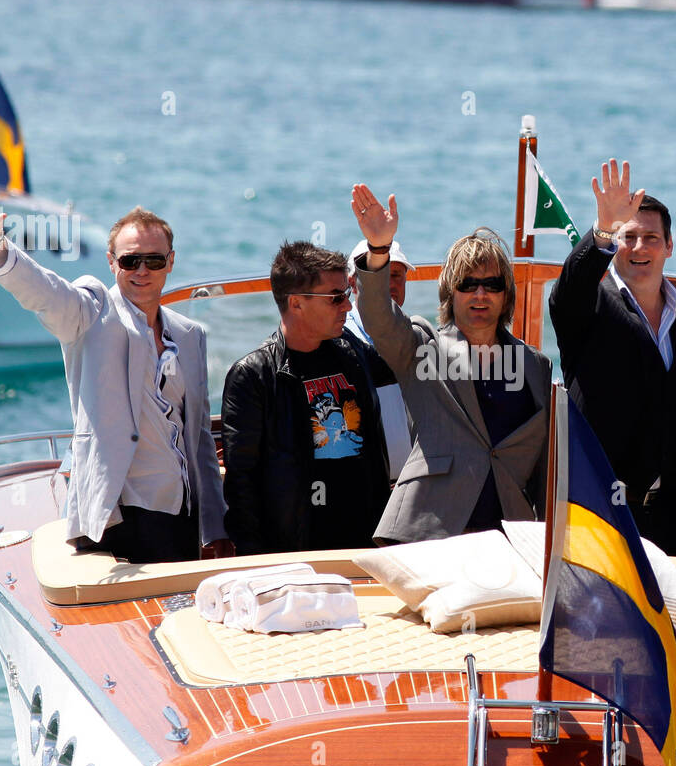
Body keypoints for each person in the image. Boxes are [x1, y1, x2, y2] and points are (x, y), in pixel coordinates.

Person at [0, 187, 229, 564]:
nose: (142, 271)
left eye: (153, 260)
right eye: (131, 260)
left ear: (170, 262)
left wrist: (214, 528)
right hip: (115, 514)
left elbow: (198, 440)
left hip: (179, 516)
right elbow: (45, 292)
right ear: (112, 262)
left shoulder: (189, 334)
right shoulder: (91, 310)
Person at [548, 158, 676, 559]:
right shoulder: (589, 308)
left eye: (651, 238)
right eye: (628, 237)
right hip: (599, 507)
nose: (638, 248)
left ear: (669, 246)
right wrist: (602, 229)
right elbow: (568, 291)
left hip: (673, 516)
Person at [350, 183, 551, 543]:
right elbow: (379, 318)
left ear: (506, 294)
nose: (479, 294)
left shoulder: (535, 366)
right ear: (449, 292)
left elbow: (546, 470)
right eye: (467, 283)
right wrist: (379, 250)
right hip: (431, 532)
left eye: (491, 284)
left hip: (512, 538)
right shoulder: (420, 347)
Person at [220, 240, 391, 555]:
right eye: (336, 297)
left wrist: (378, 252)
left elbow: (400, 354)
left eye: (347, 295)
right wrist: (259, 564)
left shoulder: (352, 352)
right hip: (297, 550)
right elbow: (241, 487)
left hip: (366, 541)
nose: (347, 307)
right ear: (296, 303)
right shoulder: (253, 375)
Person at [345, 237, 415, 479]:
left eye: (396, 275)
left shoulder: (417, 336)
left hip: (413, 487)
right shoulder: (340, 340)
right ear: (352, 283)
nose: (388, 284)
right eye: (378, 276)